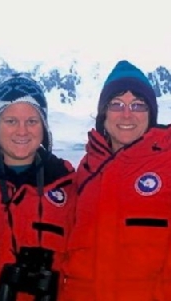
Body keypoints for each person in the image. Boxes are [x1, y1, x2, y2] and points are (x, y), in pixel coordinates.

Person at [60, 60, 171, 301]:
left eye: (138, 105)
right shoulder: (85, 170)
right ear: (104, 114)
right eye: (116, 104)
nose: (127, 114)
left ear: (151, 114)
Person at [0, 73, 76, 301]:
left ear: (44, 127)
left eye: (32, 121)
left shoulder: (67, 186)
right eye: (11, 121)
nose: (22, 131)